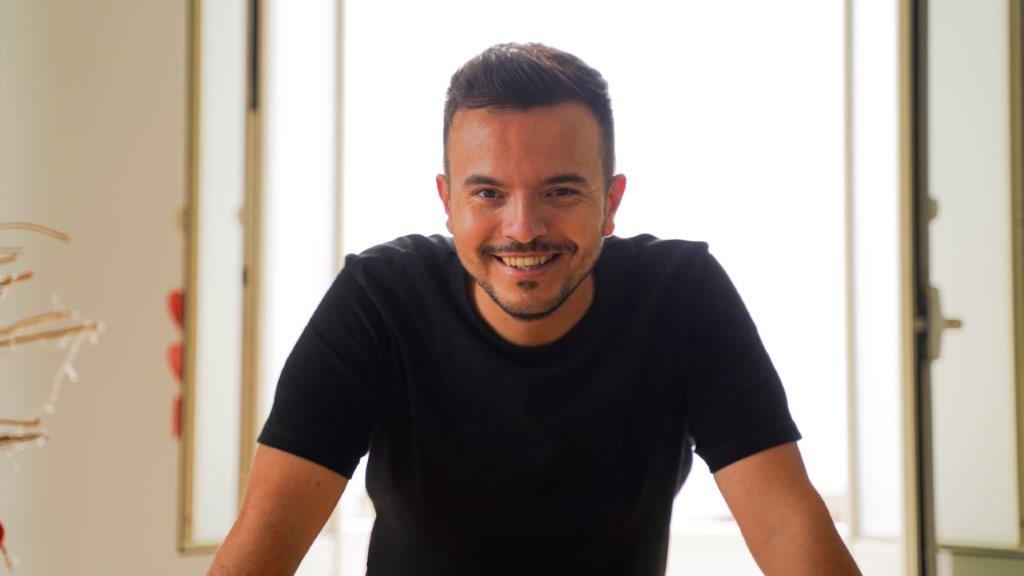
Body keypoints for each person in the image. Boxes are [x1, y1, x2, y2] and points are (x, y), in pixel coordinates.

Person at [207, 43, 860, 576]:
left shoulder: (683, 297)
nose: (523, 229)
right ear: (448, 202)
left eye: (561, 191)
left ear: (611, 203)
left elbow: (785, 523)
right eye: (488, 193)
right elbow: (269, 532)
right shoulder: (379, 300)